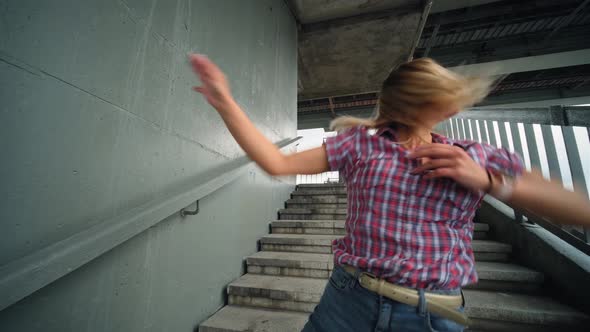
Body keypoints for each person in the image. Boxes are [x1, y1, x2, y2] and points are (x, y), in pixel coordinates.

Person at [188, 54, 590, 332]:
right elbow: (276, 165)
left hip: (431, 313)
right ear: (418, 104)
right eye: (443, 99)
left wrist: (486, 181)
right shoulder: (360, 144)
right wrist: (224, 101)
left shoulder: (473, 156)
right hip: (347, 299)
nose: (452, 107)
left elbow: (576, 209)